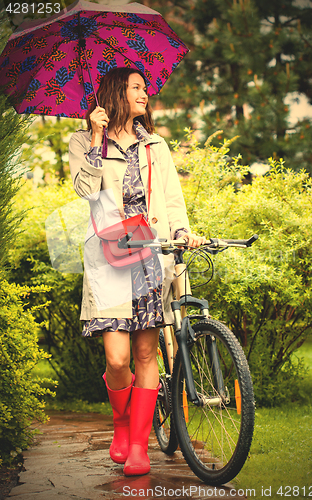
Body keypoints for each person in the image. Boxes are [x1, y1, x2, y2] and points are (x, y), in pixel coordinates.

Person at [69, 67, 206, 477]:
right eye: (136, 88)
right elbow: (85, 193)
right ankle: (122, 424)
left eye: (145, 88)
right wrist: (96, 138)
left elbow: (172, 197)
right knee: (117, 358)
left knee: (146, 352)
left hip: (150, 255)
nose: (145, 94)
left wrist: (183, 231)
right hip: (111, 255)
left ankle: (139, 448)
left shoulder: (155, 145)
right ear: (116, 92)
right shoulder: (83, 140)